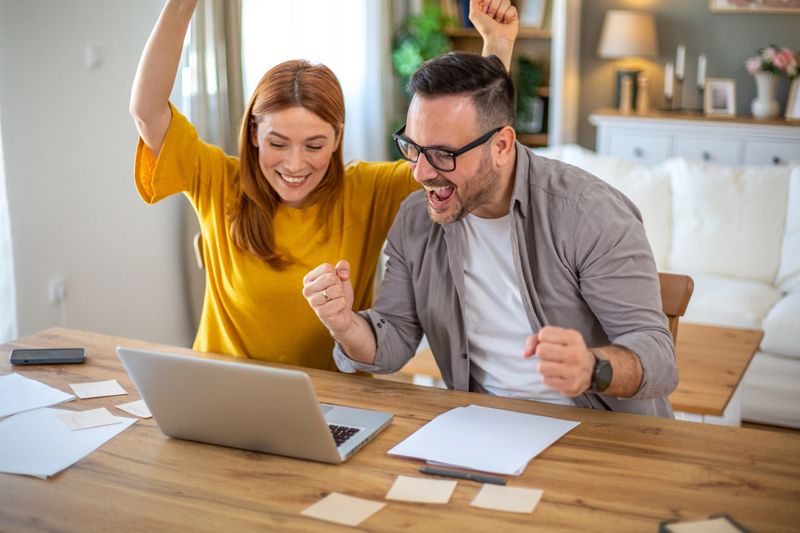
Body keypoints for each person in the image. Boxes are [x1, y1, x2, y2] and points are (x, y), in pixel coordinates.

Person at [130, 0, 519, 369]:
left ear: (337, 138)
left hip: (332, 401)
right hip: (219, 391)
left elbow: (465, 155)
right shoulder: (217, 179)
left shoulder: (368, 189)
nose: (295, 165)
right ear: (253, 134)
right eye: (277, 144)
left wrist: (497, 45)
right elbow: (147, 111)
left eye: (314, 145)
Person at [302, 52, 679, 416]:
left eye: (442, 154)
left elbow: (659, 359)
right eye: (412, 148)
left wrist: (592, 367)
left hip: (597, 435)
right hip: (481, 426)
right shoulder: (417, 219)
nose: (419, 173)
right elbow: (395, 339)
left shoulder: (589, 213)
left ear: (501, 145)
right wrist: (345, 324)